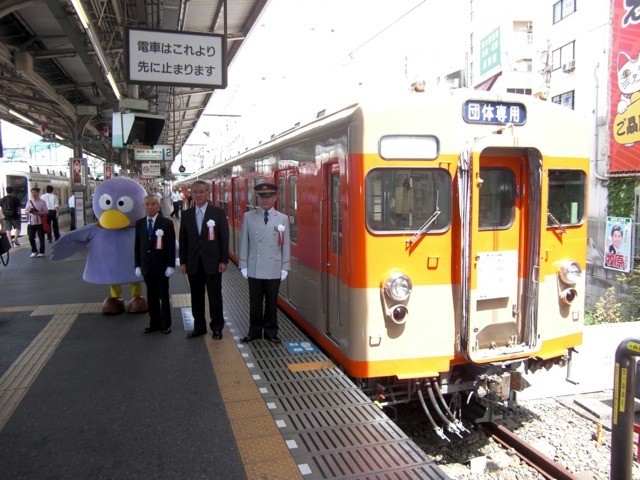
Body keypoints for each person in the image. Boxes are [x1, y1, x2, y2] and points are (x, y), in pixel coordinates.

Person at [239, 183, 291, 343]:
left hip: (274, 267)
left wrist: (285, 266)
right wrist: (243, 265)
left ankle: (271, 332)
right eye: (261, 197)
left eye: (268, 197)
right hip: (254, 266)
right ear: (258, 199)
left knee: (271, 302)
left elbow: (286, 245)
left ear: (275, 198)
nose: (265, 200)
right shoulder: (249, 216)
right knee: (255, 302)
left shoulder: (282, 218)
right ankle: (254, 331)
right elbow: (243, 242)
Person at [179, 180, 229, 340]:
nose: (198, 195)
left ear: (208, 193)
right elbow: (183, 240)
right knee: (196, 295)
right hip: (193, 262)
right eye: (195, 192)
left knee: (215, 295)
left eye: (201, 192)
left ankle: (216, 327)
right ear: (191, 194)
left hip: (213, 262)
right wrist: (183, 262)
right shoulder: (186, 215)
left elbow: (224, 238)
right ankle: (199, 326)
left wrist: (223, 260)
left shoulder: (218, 213)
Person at [135, 195, 176, 334]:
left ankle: (166, 324)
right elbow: (138, 246)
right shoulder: (140, 223)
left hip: (162, 267)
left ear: (159, 206)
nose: (150, 207)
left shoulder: (166, 223)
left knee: (164, 296)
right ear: (144, 206)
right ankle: (154, 324)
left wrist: (171, 265)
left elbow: (171, 246)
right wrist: (137, 265)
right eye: (147, 204)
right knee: (151, 297)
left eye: (153, 204)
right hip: (147, 268)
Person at [24, 187, 47, 258]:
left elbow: (46, 211)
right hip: (31, 223)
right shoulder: (29, 202)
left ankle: (42, 252)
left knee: (41, 238)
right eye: (32, 192)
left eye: (35, 192)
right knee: (31, 237)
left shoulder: (42, 202)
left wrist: (38, 213)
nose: (34, 194)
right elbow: (26, 210)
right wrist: (29, 211)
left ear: (38, 193)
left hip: (40, 223)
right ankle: (34, 251)